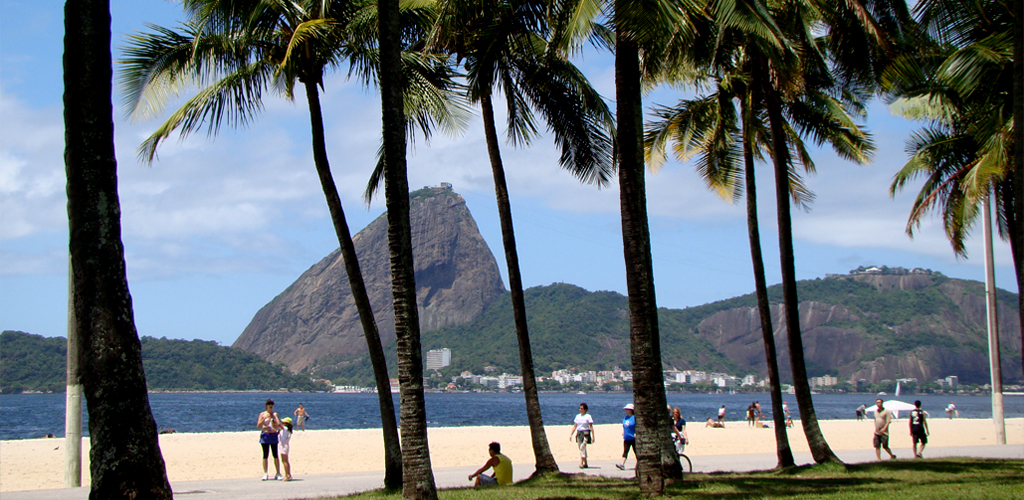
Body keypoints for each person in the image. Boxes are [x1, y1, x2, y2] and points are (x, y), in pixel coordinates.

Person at [257, 399, 283, 481]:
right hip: (265, 435)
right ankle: (265, 473)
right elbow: (258, 426)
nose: (270, 406)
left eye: (271, 404)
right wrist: (263, 419)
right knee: (265, 455)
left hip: (273, 435)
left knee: (275, 455)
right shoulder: (262, 414)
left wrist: (274, 419)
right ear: (266, 406)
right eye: (268, 404)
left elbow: (278, 425)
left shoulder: (274, 414)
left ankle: (278, 472)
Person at [569, 402, 595, 468]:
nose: (580, 409)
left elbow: (591, 426)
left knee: (582, 447)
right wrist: (571, 434)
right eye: (580, 408)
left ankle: (581, 463)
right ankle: (585, 463)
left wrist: (593, 436)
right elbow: (575, 426)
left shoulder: (588, 416)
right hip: (579, 433)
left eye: (582, 408)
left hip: (585, 433)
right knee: (581, 448)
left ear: (585, 410)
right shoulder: (577, 416)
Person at [616, 404, 636, 470]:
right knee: (625, 451)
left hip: (633, 438)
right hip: (626, 438)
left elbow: (638, 426)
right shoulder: (625, 418)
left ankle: (638, 465)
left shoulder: (634, 418)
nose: (626, 411)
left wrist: (636, 433)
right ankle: (622, 464)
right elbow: (624, 426)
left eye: (627, 410)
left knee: (636, 452)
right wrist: (623, 432)